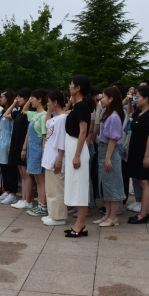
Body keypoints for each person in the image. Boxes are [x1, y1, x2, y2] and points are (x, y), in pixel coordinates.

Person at [63, 75, 95, 237]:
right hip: (72, 147)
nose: (69, 86)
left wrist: (76, 155)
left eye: (72, 84)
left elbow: (83, 132)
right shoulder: (78, 105)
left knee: (80, 188)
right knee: (74, 186)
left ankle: (81, 225)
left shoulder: (82, 106)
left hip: (78, 148)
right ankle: (79, 225)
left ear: (78, 88)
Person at [93, 87, 126, 227]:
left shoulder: (114, 117)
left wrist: (107, 158)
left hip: (109, 151)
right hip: (104, 149)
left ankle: (113, 217)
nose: (101, 99)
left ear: (111, 99)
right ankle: (107, 215)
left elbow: (113, 139)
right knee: (106, 184)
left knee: (113, 184)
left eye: (105, 97)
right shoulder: (106, 112)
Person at [126, 86, 149, 224]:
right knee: (140, 180)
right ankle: (143, 212)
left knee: (145, 182)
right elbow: (129, 114)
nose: (136, 100)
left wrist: (146, 156)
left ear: (146, 99)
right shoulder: (139, 112)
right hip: (135, 151)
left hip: (144, 152)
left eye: (137, 97)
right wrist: (129, 101)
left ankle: (143, 214)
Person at [40, 90, 68, 225]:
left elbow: (62, 140)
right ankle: (52, 214)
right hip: (49, 157)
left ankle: (59, 217)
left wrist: (59, 160)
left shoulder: (63, 118)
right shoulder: (55, 118)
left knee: (57, 189)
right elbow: (47, 124)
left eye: (49, 102)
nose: (48, 104)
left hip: (56, 158)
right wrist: (49, 110)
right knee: (50, 189)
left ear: (55, 102)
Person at [19, 90, 48, 211]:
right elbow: (24, 110)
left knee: (41, 180)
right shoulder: (34, 114)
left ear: (40, 99)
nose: (31, 101)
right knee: (37, 179)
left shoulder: (44, 115)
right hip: (32, 149)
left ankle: (43, 206)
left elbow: (44, 137)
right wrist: (24, 148)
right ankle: (40, 205)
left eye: (33, 98)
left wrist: (43, 155)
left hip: (38, 149)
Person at [4, 89, 31, 208]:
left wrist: (24, 148)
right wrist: (14, 103)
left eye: (20, 97)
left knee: (26, 174)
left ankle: (27, 200)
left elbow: (28, 131)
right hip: (15, 143)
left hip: (22, 144)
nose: (18, 99)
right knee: (22, 173)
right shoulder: (19, 111)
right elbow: (6, 114)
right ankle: (23, 198)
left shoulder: (29, 112)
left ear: (27, 98)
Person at [0, 89, 17, 204]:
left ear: (8, 98)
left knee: (10, 169)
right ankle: (6, 191)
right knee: (3, 168)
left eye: (2, 97)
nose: (0, 99)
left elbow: (13, 129)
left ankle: (13, 193)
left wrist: (11, 144)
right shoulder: (1, 111)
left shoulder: (13, 111)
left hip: (7, 143)